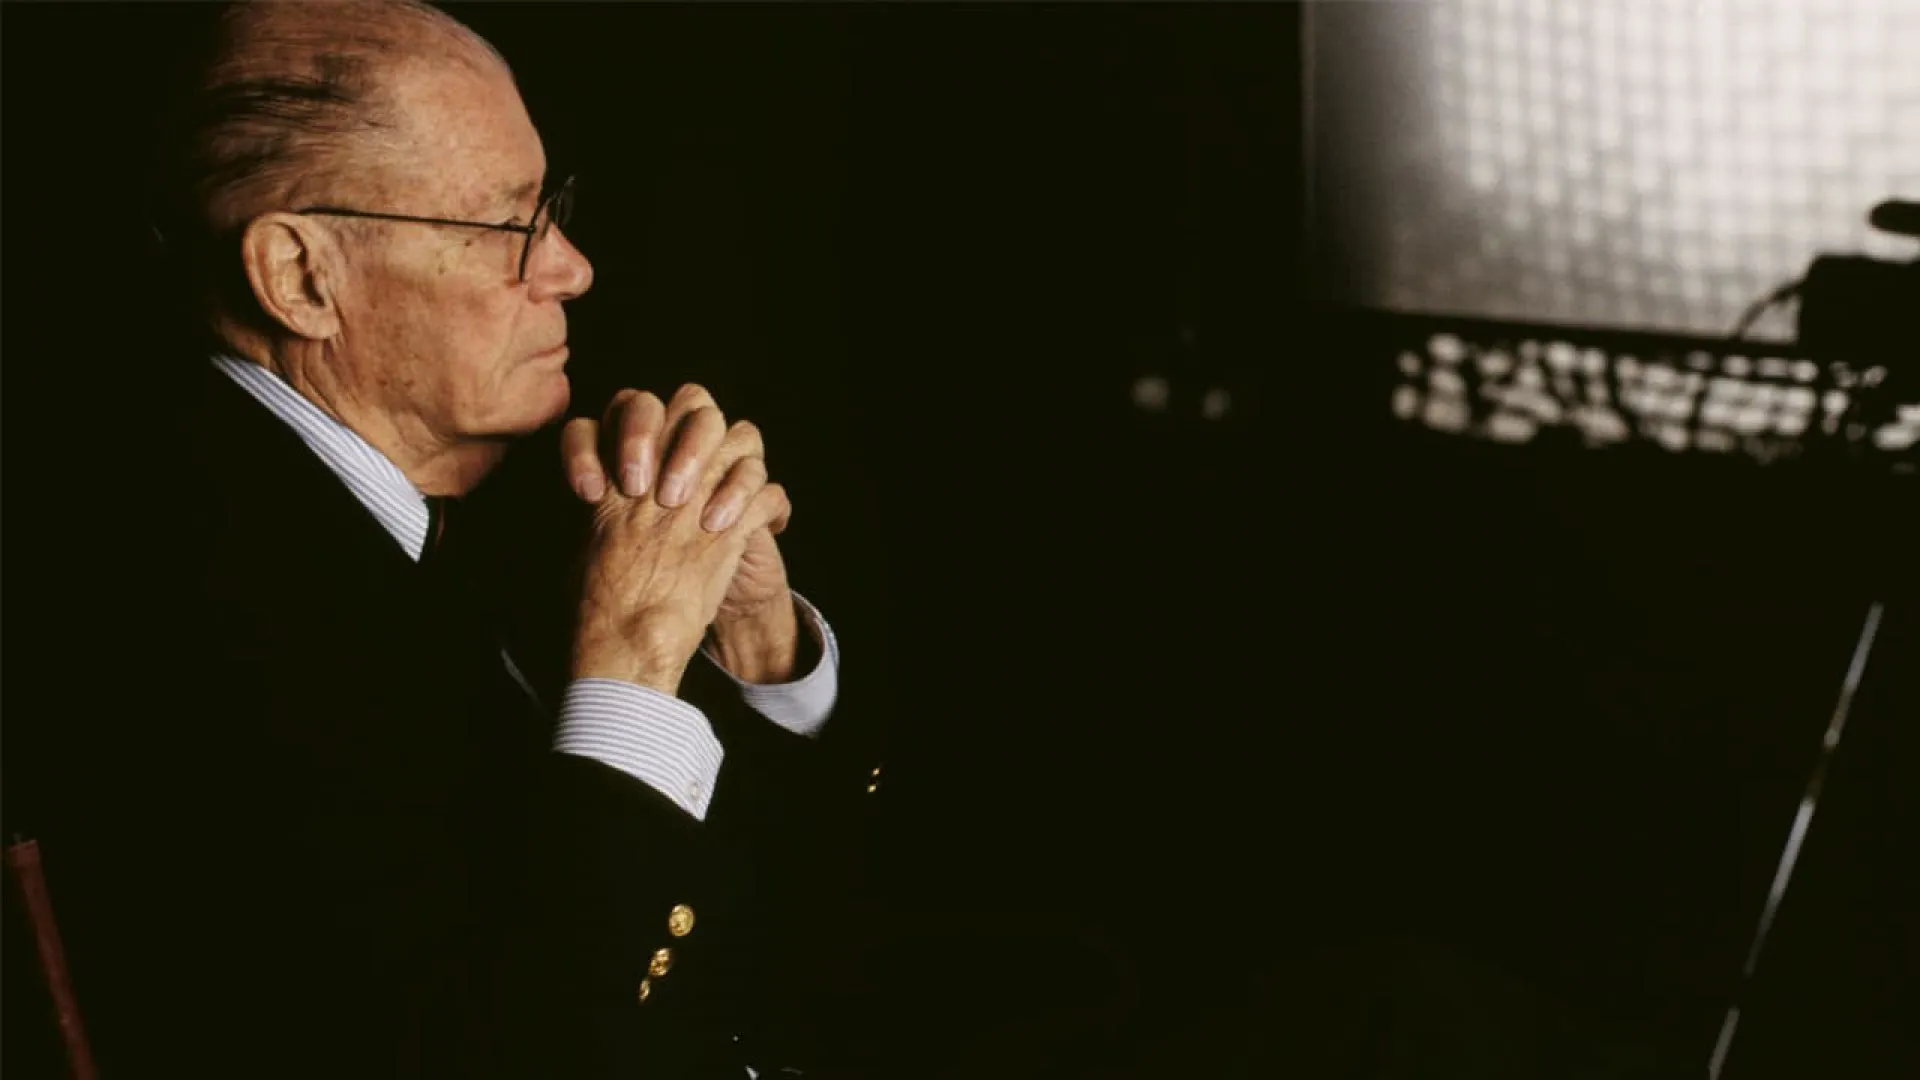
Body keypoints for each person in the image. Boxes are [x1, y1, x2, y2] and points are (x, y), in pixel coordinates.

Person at [24, 2, 877, 1076]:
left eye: (552, 207)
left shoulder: (464, 504)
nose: (571, 268)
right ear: (300, 278)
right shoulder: (156, 591)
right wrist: (631, 659)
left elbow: (787, 962)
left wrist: (754, 642)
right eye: (510, 223)